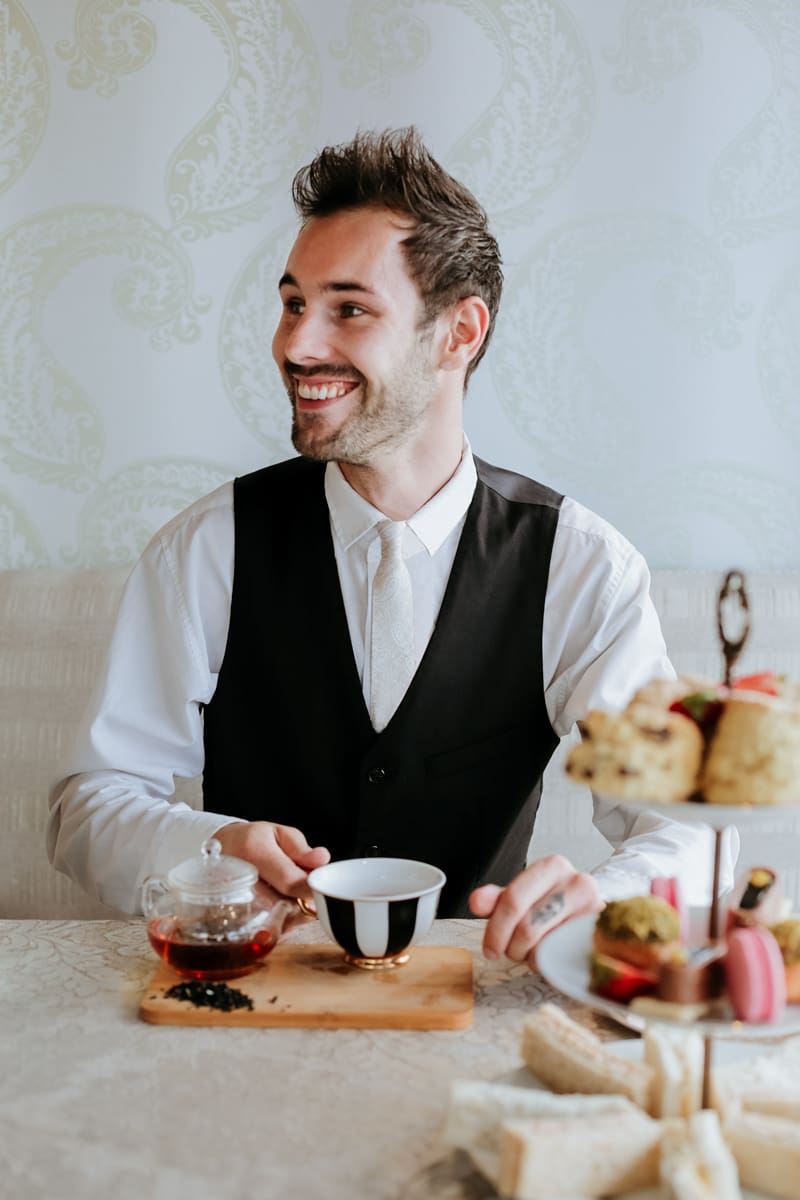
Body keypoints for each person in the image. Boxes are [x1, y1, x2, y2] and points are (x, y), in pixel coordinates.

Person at [48, 128, 726, 967]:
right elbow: (87, 807)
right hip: (247, 1003)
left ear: (459, 332)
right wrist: (213, 849)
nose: (295, 344)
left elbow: (687, 830)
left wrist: (606, 897)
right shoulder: (207, 547)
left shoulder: (581, 566)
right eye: (293, 302)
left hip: (470, 1006)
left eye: (349, 308)